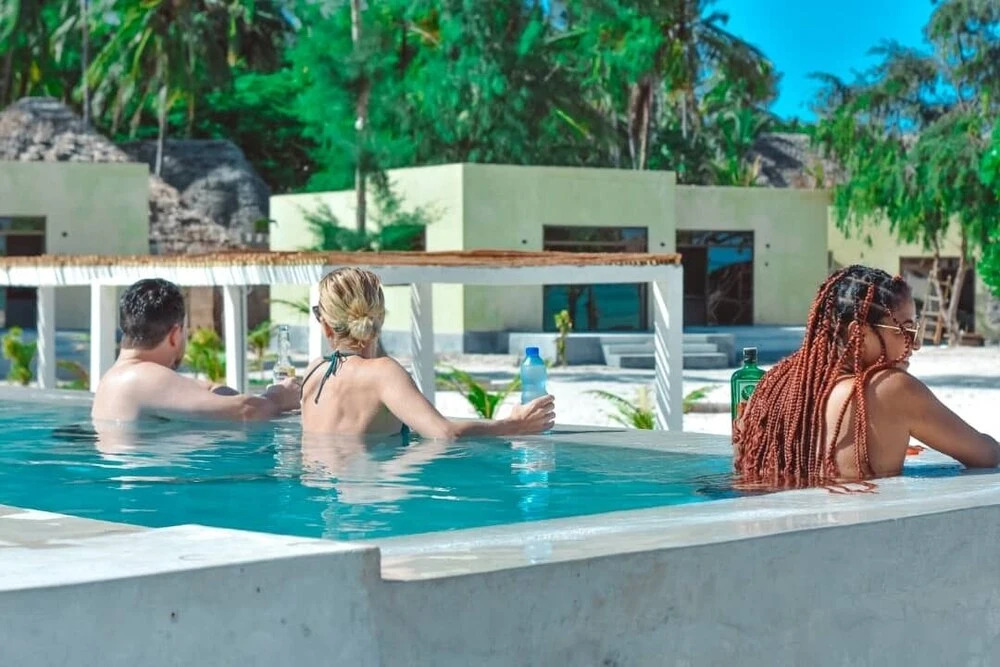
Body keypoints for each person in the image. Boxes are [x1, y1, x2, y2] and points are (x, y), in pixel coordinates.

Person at [734, 264, 1000, 485]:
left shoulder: (777, 387)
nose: (916, 344)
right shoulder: (891, 388)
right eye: (906, 330)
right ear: (858, 334)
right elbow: (986, 455)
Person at [301, 267, 554, 438]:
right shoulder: (382, 374)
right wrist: (514, 425)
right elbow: (445, 434)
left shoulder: (313, 372)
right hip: (371, 499)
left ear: (326, 326)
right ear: (379, 318)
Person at [92, 278, 300, 423]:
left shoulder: (115, 378)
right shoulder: (143, 378)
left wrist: (223, 395)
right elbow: (247, 412)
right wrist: (279, 396)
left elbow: (202, 389)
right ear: (175, 334)